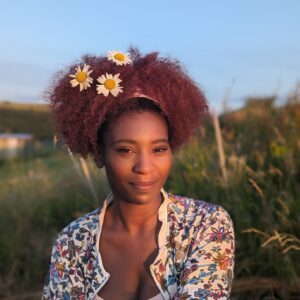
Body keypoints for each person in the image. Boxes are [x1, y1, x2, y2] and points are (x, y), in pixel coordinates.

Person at [42, 48, 235, 300]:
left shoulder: (205, 225)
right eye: (126, 150)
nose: (144, 166)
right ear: (100, 155)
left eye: (159, 149)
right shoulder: (72, 243)